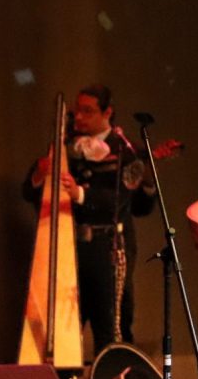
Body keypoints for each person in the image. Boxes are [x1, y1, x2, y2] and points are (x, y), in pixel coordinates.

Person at [22, 85, 155, 352]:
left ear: (107, 113)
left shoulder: (125, 151)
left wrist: (79, 193)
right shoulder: (67, 145)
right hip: (70, 246)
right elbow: (29, 192)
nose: (80, 118)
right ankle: (63, 372)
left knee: (110, 323)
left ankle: (113, 373)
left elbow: (120, 200)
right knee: (64, 323)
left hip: (108, 246)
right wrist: (39, 173)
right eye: (77, 111)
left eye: (88, 111)